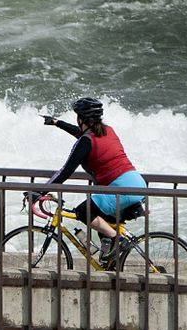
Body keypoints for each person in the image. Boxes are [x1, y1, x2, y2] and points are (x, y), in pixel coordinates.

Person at [34, 97, 147, 264]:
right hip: (137, 183)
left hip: (121, 188)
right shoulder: (108, 130)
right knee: (102, 220)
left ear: (81, 119)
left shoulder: (85, 141)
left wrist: (39, 191)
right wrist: (57, 123)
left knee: (83, 212)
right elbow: (82, 135)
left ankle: (119, 240)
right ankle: (111, 260)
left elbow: (65, 171)